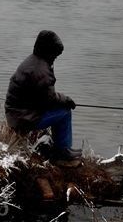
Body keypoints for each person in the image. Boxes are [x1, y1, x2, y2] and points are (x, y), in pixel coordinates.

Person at [5, 30, 81, 161]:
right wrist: (66, 100)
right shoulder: (41, 71)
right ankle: (62, 152)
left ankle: (61, 147)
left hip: (16, 114)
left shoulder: (32, 61)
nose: (56, 58)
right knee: (64, 112)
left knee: (60, 109)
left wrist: (61, 100)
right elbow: (50, 99)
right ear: (49, 51)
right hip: (23, 118)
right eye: (55, 54)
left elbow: (42, 96)